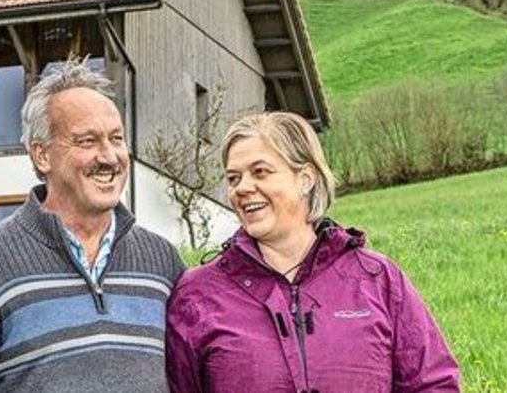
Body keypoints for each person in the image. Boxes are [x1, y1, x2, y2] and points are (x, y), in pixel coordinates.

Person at [0, 57, 186, 392]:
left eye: (116, 138)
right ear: (41, 155)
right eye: (87, 141)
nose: (109, 157)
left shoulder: (163, 263)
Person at [166, 111, 460, 393]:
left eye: (260, 172)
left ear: (305, 178)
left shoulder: (377, 279)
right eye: (233, 178)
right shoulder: (198, 293)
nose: (243, 188)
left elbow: (432, 384)